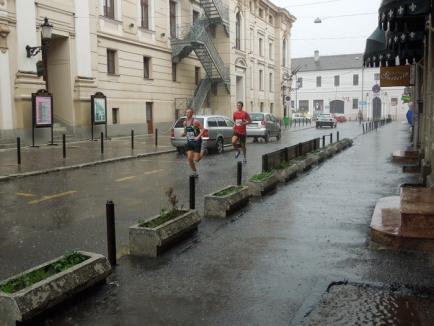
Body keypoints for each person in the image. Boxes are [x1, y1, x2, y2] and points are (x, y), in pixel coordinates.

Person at [182, 108, 205, 177]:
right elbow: (185, 132)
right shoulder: (185, 122)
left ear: (192, 113)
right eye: (186, 112)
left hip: (196, 141)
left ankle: (204, 151)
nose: (187, 114)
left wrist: (198, 136)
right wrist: (183, 134)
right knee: (189, 158)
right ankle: (195, 172)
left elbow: (203, 129)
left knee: (197, 159)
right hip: (189, 141)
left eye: (189, 112)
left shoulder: (195, 122)